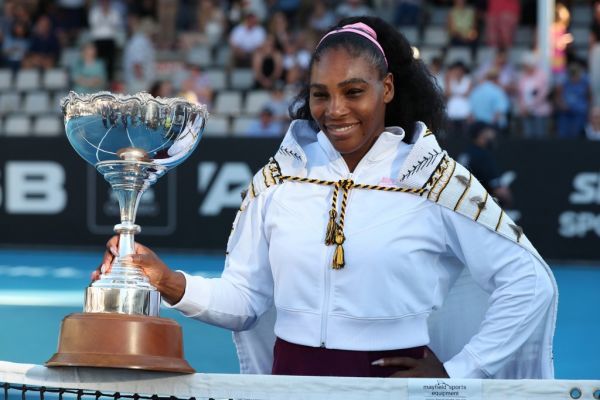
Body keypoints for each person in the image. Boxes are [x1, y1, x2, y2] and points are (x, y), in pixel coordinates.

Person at [96, 16, 556, 379]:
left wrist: (458, 372)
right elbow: (245, 303)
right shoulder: (279, 180)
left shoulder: (433, 179)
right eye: (321, 95)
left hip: (393, 389)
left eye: (353, 91)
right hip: (291, 382)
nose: (334, 110)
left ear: (387, 89)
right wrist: (168, 281)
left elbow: (530, 284)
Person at [458, 122, 512, 207]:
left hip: (462, 204)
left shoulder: (466, 153)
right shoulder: (482, 156)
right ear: (481, 134)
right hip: (480, 207)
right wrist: (507, 198)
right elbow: (499, 190)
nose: (493, 135)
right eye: (489, 131)